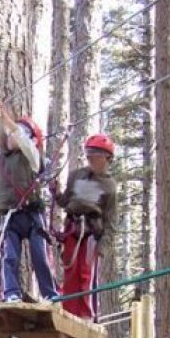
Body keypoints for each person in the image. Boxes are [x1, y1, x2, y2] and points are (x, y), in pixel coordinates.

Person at [0, 103, 60, 303]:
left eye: (16, 134)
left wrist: (3, 116)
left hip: (32, 214)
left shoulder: (33, 157)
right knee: (9, 257)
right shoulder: (1, 160)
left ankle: (50, 294)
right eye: (9, 135)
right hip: (10, 216)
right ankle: (11, 293)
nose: (11, 137)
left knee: (40, 257)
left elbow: (20, 136)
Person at [53, 133, 117, 320]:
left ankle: (85, 315)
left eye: (95, 155)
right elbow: (65, 202)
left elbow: (111, 221)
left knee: (85, 274)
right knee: (70, 271)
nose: (90, 158)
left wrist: (103, 247)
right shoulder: (77, 176)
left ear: (106, 158)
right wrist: (56, 193)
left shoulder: (110, 187)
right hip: (72, 228)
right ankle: (68, 311)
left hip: (90, 234)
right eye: (89, 154)